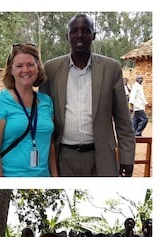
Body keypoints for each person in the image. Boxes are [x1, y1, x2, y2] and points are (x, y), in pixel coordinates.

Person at [39, 14, 135, 176]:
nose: (80, 35)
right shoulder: (51, 69)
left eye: (86, 30)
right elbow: (43, 115)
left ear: (94, 35)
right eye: (74, 30)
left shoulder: (110, 68)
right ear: (67, 36)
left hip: (102, 156)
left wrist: (127, 157)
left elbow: (123, 120)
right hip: (63, 157)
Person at [0, 43, 57, 177]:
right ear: (11, 70)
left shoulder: (46, 102)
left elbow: (50, 144)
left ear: (37, 68)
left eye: (30, 64)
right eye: (19, 66)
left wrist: (55, 178)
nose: (25, 70)